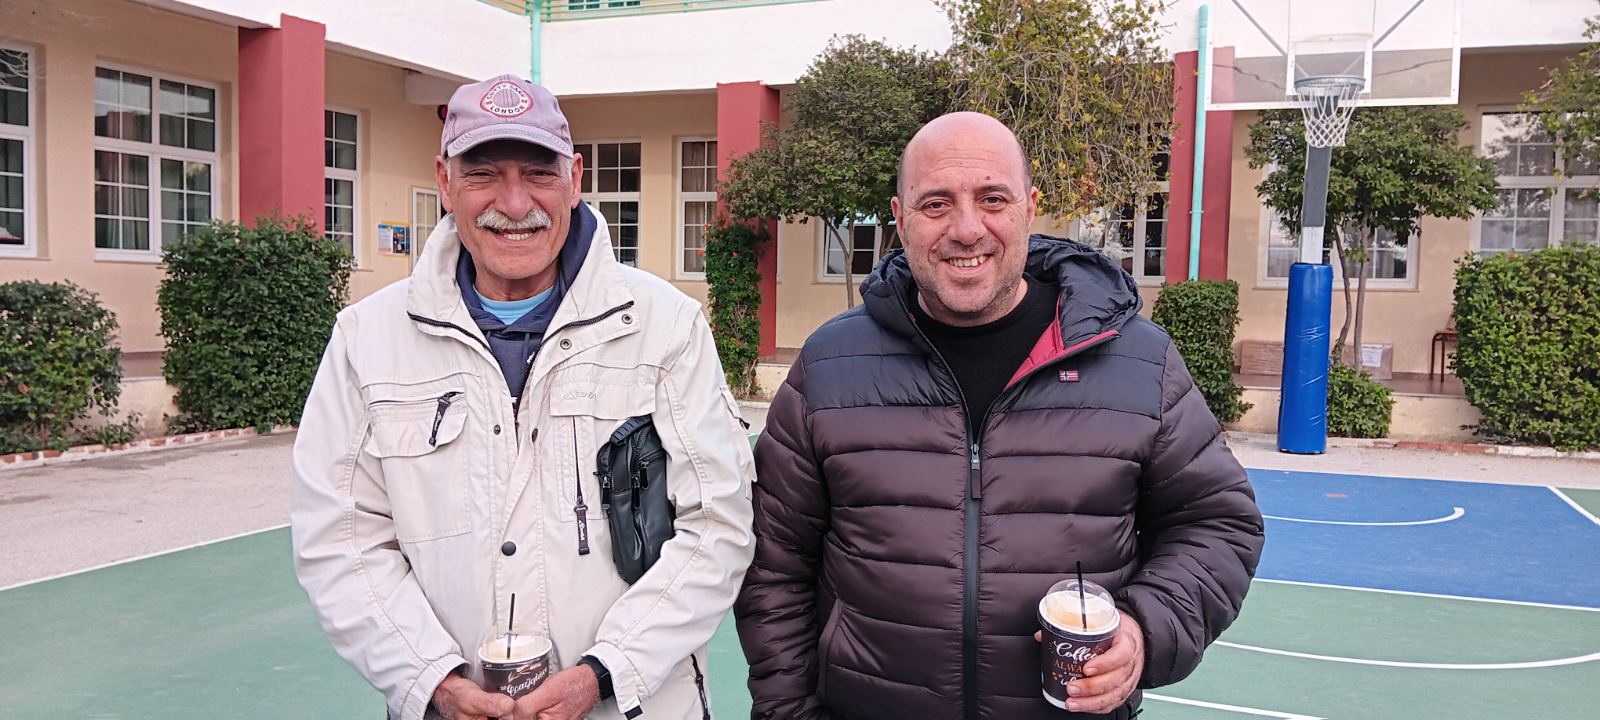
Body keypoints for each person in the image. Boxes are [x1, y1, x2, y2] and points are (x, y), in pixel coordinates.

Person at [735, 112, 1265, 720]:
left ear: (1029, 208)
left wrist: (1146, 628)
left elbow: (1217, 524)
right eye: (936, 203)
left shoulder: (1139, 361)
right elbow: (773, 562)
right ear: (900, 218)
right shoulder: (831, 365)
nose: (967, 230)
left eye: (993, 199)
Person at [292, 74, 756, 720]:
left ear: (575, 178)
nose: (514, 204)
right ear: (445, 181)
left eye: (539, 173)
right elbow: (340, 540)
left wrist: (604, 672)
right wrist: (433, 680)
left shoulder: (666, 328)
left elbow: (719, 525)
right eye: (483, 174)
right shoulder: (367, 342)